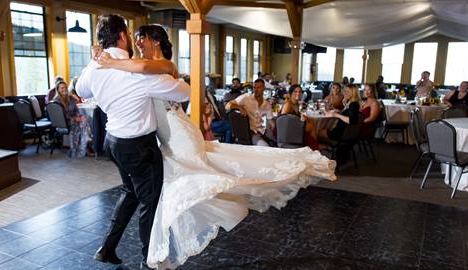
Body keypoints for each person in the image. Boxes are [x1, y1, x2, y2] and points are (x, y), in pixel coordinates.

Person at [95, 23, 336, 269]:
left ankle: (152, 254)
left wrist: (110, 62)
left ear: (155, 41)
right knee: (168, 192)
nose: (137, 43)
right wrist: (106, 60)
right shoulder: (138, 66)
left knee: (192, 183)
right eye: (134, 38)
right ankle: (145, 252)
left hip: (179, 137)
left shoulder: (162, 65)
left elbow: (154, 74)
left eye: (141, 38)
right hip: (167, 138)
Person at [76, 16, 190, 270]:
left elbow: (81, 90)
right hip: (139, 146)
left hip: (113, 143)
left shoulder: (95, 67)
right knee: (151, 202)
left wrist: (93, 62)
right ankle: (149, 262)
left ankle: (106, 249)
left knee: (130, 193)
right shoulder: (138, 71)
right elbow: (184, 93)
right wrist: (172, 73)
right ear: (124, 35)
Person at [226, 79, 273, 146]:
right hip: (251, 132)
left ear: (264, 88)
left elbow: (270, 121)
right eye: (254, 87)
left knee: (278, 141)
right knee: (265, 146)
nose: (256, 90)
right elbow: (227, 105)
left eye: (258, 87)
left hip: (262, 131)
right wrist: (239, 107)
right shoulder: (246, 97)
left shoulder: (267, 104)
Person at [52, 80, 92, 158]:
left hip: (72, 119)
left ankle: (85, 144)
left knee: (85, 119)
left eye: (66, 87)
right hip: (64, 122)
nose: (64, 89)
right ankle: (86, 145)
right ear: (58, 90)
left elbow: (77, 108)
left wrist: (79, 116)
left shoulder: (69, 98)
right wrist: (75, 118)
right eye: (62, 88)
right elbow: (61, 116)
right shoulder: (57, 100)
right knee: (82, 124)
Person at [280, 84, 321, 150]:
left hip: (293, 127)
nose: (298, 93)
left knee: (311, 121)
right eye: (295, 91)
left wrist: (303, 118)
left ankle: (314, 145)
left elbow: (295, 117)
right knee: (311, 126)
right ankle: (315, 147)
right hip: (286, 131)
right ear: (291, 93)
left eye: (300, 92)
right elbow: (282, 121)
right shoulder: (288, 104)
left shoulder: (296, 104)